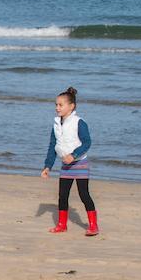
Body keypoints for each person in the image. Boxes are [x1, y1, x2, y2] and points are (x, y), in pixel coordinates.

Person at [41, 86, 99, 236]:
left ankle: (93, 225)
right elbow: (53, 146)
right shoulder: (56, 124)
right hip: (65, 166)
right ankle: (62, 225)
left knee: (84, 194)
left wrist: (74, 155)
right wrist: (48, 166)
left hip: (80, 163)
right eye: (56, 105)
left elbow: (87, 143)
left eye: (60, 105)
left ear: (71, 106)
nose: (57, 108)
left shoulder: (79, 122)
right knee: (62, 195)